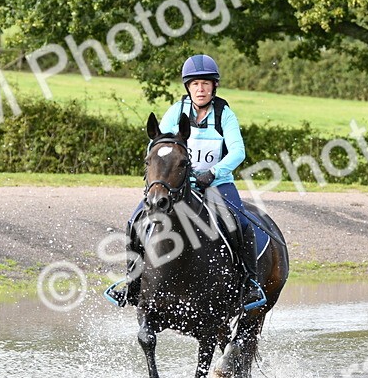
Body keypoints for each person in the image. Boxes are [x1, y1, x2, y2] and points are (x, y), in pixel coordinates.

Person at [105, 54, 265, 310]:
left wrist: (213, 172)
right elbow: (157, 144)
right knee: (135, 221)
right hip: (177, 186)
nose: (200, 89)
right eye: (195, 85)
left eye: (205, 84)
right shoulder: (176, 111)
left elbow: (238, 152)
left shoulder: (225, 115)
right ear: (188, 87)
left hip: (217, 184)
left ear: (214, 86)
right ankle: (132, 284)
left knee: (242, 223)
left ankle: (249, 285)